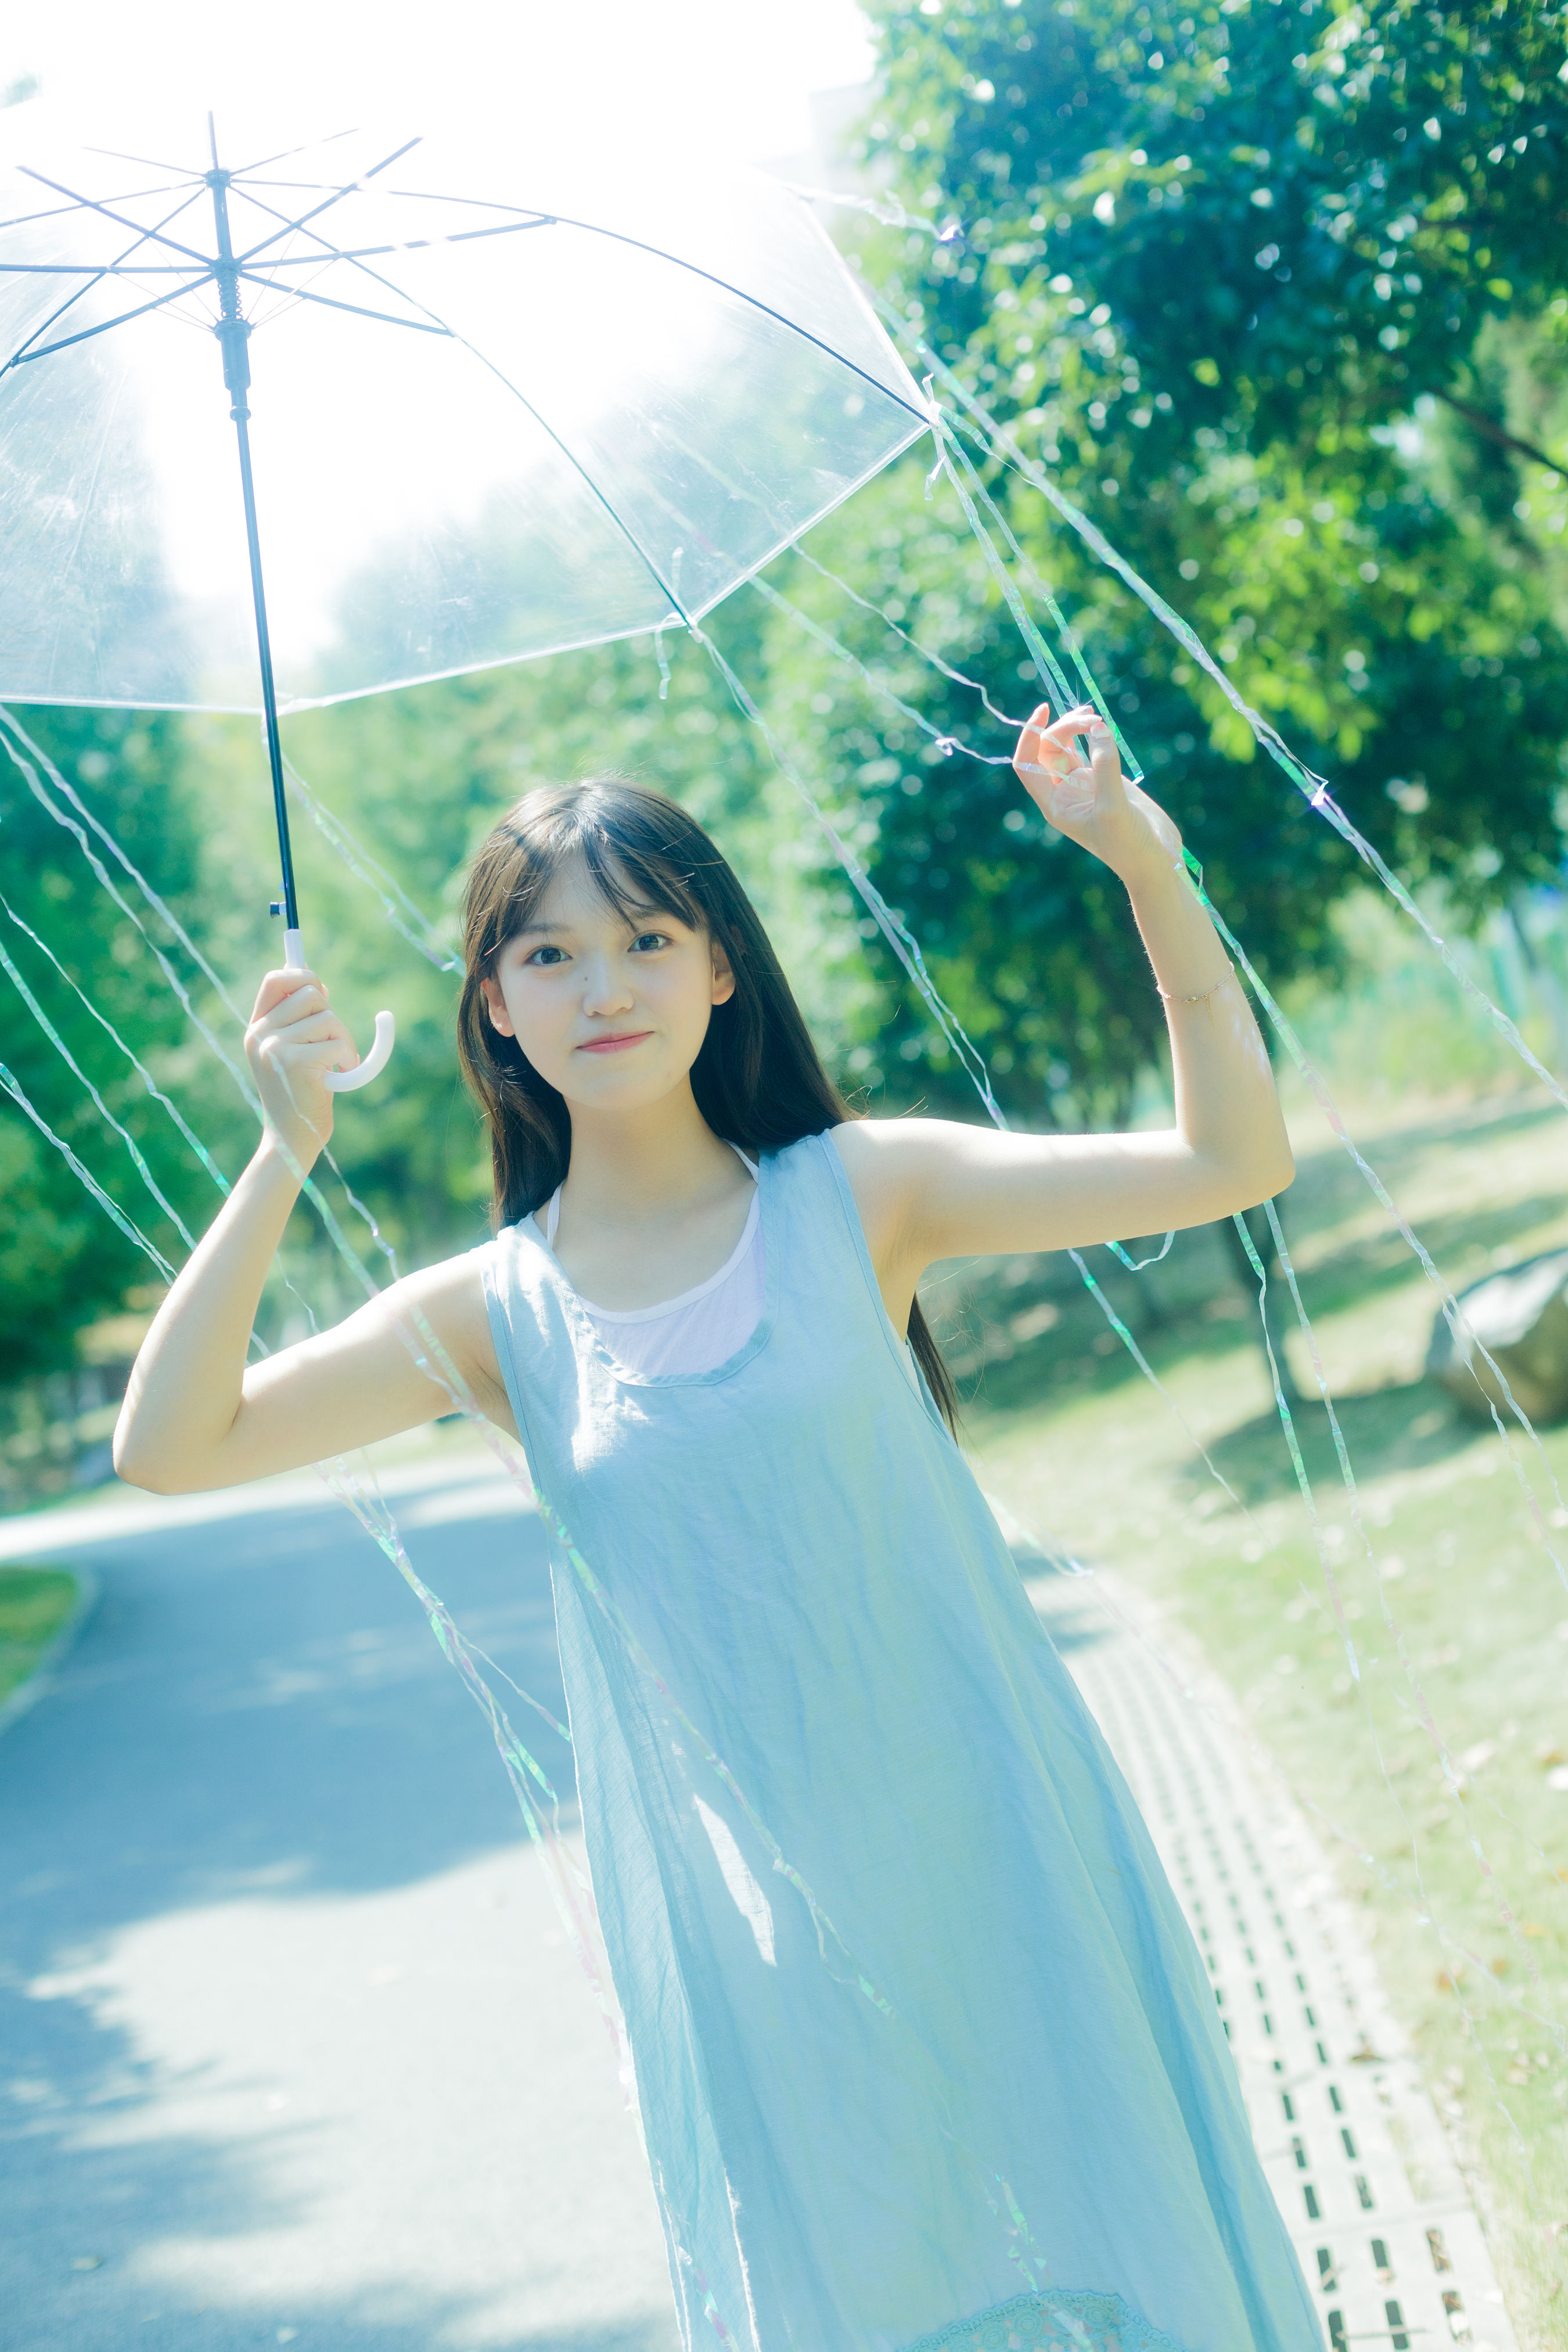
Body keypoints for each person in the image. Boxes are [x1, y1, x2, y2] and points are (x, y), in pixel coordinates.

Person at [116, 705, 1319, 2352]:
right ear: (492, 1006)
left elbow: (1229, 1156)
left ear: (719, 969)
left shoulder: (859, 1192)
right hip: (760, 1942)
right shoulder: (495, 1313)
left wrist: (1139, 859)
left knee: (1120, 2236)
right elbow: (170, 1444)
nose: (601, 987)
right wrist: (280, 1155)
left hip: (999, 1848)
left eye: (646, 937)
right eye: (547, 953)